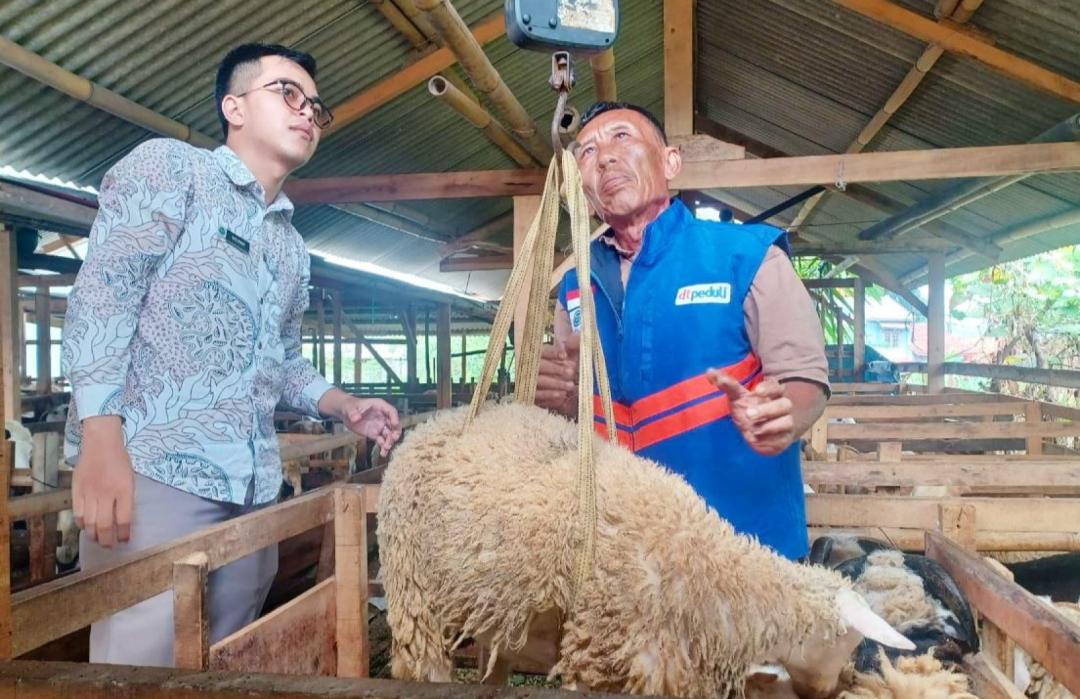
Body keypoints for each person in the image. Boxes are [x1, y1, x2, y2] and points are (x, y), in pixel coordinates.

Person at [62, 43, 402, 666]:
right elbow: (102, 298)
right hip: (156, 472)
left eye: (316, 107)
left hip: (251, 487)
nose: (307, 113)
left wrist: (344, 404)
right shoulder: (173, 171)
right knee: (140, 661)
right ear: (233, 106)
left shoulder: (291, 246)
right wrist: (100, 439)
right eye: (287, 93)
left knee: (230, 658)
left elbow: (283, 360)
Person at [537, 102, 829, 560]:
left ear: (671, 162)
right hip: (624, 552)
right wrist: (555, 399)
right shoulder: (575, 284)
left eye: (622, 138)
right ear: (581, 188)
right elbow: (574, 405)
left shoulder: (746, 257)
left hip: (743, 548)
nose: (605, 157)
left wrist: (783, 416)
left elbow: (806, 379)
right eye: (587, 152)